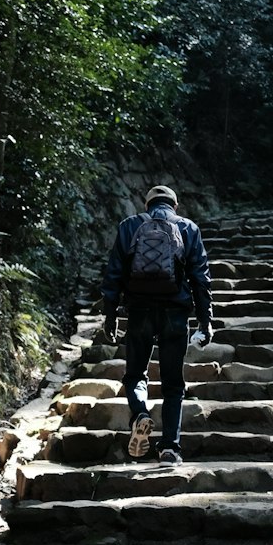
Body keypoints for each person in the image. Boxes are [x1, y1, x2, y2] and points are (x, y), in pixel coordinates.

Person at [101, 185, 212, 464]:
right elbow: (201, 278)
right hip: (175, 313)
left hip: (139, 311)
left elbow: (113, 274)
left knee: (136, 375)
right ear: (175, 205)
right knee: (173, 383)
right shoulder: (188, 228)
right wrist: (204, 320)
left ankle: (140, 414)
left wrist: (110, 316)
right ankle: (169, 448)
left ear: (147, 204)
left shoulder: (129, 226)